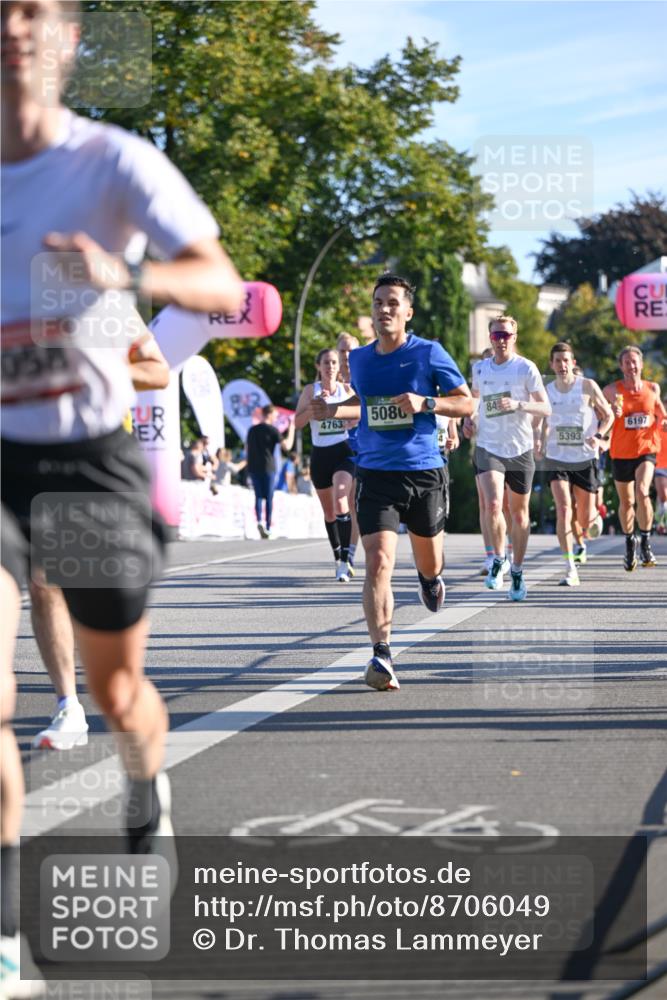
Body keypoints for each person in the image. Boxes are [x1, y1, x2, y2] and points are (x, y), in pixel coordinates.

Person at [0, 3, 244, 995]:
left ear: (67, 40)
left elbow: (220, 287)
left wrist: (121, 271)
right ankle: (8, 942)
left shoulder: (111, 163)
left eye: (31, 11)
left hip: (88, 461)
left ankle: (147, 782)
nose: (12, 27)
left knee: (117, 696)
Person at [312, 274, 473, 691]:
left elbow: (467, 401)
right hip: (376, 474)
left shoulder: (428, 353)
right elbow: (360, 406)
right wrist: (330, 409)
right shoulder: (362, 360)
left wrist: (428, 403)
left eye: (392, 303)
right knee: (379, 560)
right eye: (378, 302)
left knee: (429, 562)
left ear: (408, 312)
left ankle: (429, 580)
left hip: (424, 472)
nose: (384, 309)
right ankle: (381, 653)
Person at [31, 326, 171, 752]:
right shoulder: (11, 300)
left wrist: (96, 373)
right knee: (44, 582)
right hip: (32, 462)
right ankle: (67, 704)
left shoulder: (104, 305)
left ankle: (146, 784)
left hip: (100, 464)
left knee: (116, 679)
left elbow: (158, 371)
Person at [468, 315, 551, 600]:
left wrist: (518, 403)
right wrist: (469, 420)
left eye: (505, 334)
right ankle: (498, 560)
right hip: (489, 446)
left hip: (519, 448)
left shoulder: (525, 368)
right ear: (489, 338)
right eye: (495, 335)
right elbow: (473, 401)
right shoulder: (479, 369)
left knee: (519, 514)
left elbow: (546, 408)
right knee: (492, 504)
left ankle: (516, 571)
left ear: (514, 337)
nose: (501, 340)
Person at [539, 342, 613, 587]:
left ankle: (591, 521)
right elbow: (540, 421)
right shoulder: (546, 390)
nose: (561, 365)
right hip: (556, 457)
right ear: (552, 364)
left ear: (573, 363)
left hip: (584, 457)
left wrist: (599, 435)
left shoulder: (587, 386)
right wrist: (538, 442)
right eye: (557, 361)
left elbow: (609, 415)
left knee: (584, 519)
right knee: (563, 509)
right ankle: (570, 567)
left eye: (565, 360)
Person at [602, 346, 666, 570]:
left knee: (642, 491)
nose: (631, 366)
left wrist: (662, 423)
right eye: (627, 362)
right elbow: (599, 414)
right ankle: (630, 541)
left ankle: (646, 542)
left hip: (646, 450)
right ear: (621, 366)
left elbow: (660, 415)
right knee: (626, 501)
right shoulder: (611, 390)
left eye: (634, 362)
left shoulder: (652, 388)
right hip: (620, 452)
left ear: (641, 364)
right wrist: (610, 412)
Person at [295, 349, 356, 581]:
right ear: (318, 366)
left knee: (342, 498)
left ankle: (345, 561)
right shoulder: (311, 390)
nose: (330, 366)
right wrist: (314, 408)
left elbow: (359, 414)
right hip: (320, 455)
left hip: (343, 452)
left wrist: (350, 419)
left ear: (339, 367)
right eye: (326, 363)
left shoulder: (346, 390)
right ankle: (337, 554)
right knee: (329, 511)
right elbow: (297, 423)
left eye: (334, 362)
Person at [245, 404, 295, 538]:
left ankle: (259, 522)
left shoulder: (252, 430)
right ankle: (267, 526)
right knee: (269, 497)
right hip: (268, 466)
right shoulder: (273, 430)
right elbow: (287, 446)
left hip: (254, 466)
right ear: (270, 414)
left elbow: (247, 449)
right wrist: (292, 428)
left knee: (258, 496)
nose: (276, 418)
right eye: (275, 415)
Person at [336, 332, 361, 572]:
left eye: (350, 350)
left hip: (358, 447)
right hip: (335, 447)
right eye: (342, 350)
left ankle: (349, 552)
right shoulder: (328, 381)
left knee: (351, 499)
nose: (346, 356)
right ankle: (343, 549)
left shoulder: (363, 378)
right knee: (339, 499)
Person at [655, 413, 667, 535]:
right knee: (663, 495)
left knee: (664, 497)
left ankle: (661, 522)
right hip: (660, 463)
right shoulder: (658, 419)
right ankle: (660, 520)